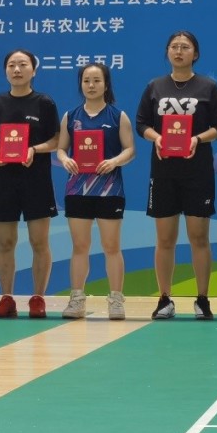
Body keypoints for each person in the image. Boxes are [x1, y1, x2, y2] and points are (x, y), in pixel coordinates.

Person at [135, 30, 217, 320]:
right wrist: (157, 138)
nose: (178, 51)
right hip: (163, 173)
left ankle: (202, 299)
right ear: (167, 53)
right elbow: (141, 123)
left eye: (185, 47)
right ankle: (164, 299)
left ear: (195, 54)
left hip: (198, 173)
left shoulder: (208, 87)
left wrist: (197, 139)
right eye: (174, 46)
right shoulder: (155, 86)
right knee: (165, 239)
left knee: (199, 237)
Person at [0, 49, 60, 318]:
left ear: (33, 70)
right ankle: (7, 298)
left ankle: (38, 298)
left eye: (23, 64)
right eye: (11, 65)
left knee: (39, 241)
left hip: (37, 180)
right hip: (4, 180)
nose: (17, 69)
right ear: (5, 71)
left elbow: (56, 140)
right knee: (5, 242)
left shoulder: (44, 103)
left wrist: (33, 149)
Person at [55, 63, 136, 320]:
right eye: (86, 80)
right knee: (80, 246)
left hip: (110, 190)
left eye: (96, 80)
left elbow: (130, 150)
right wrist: (65, 159)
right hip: (77, 189)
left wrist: (114, 161)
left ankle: (116, 300)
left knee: (111, 246)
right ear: (81, 84)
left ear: (106, 84)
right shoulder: (70, 116)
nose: (91, 85)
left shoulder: (118, 116)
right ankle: (77, 299)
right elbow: (60, 149)